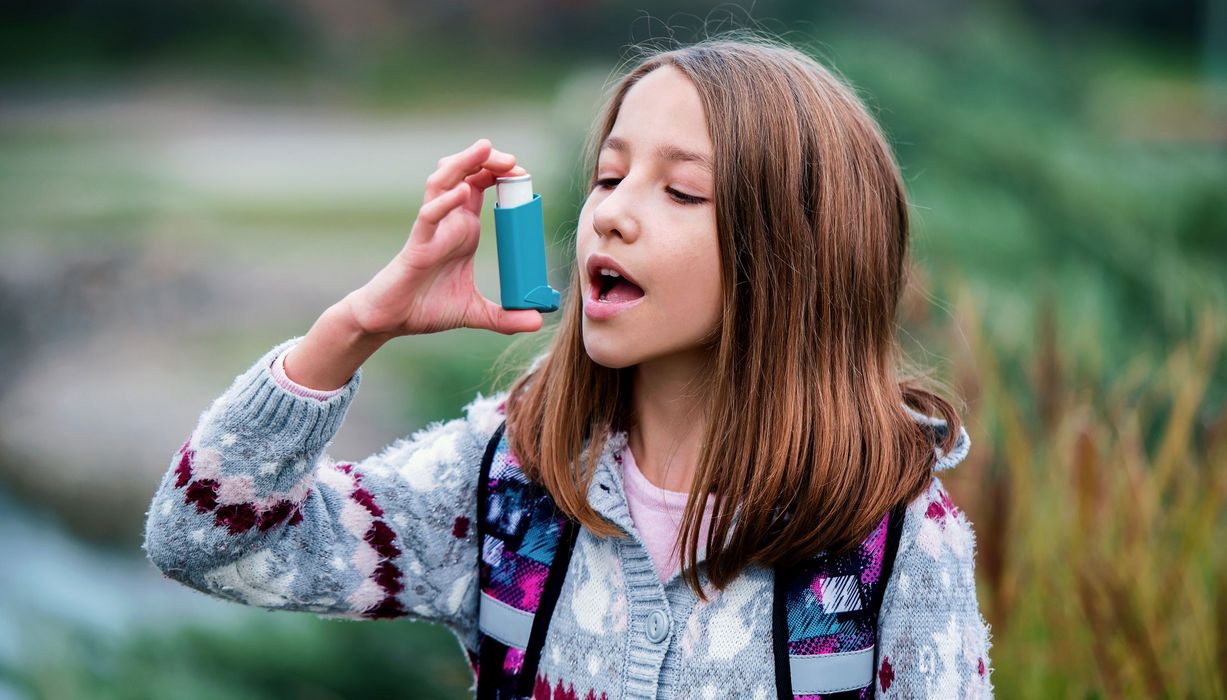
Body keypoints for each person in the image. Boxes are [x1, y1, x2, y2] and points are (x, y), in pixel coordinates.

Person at [144, 35, 993, 699]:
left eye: (681, 192)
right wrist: (358, 326)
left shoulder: (892, 541)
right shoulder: (507, 481)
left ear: (797, 253)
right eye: (608, 175)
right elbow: (201, 544)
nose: (612, 214)